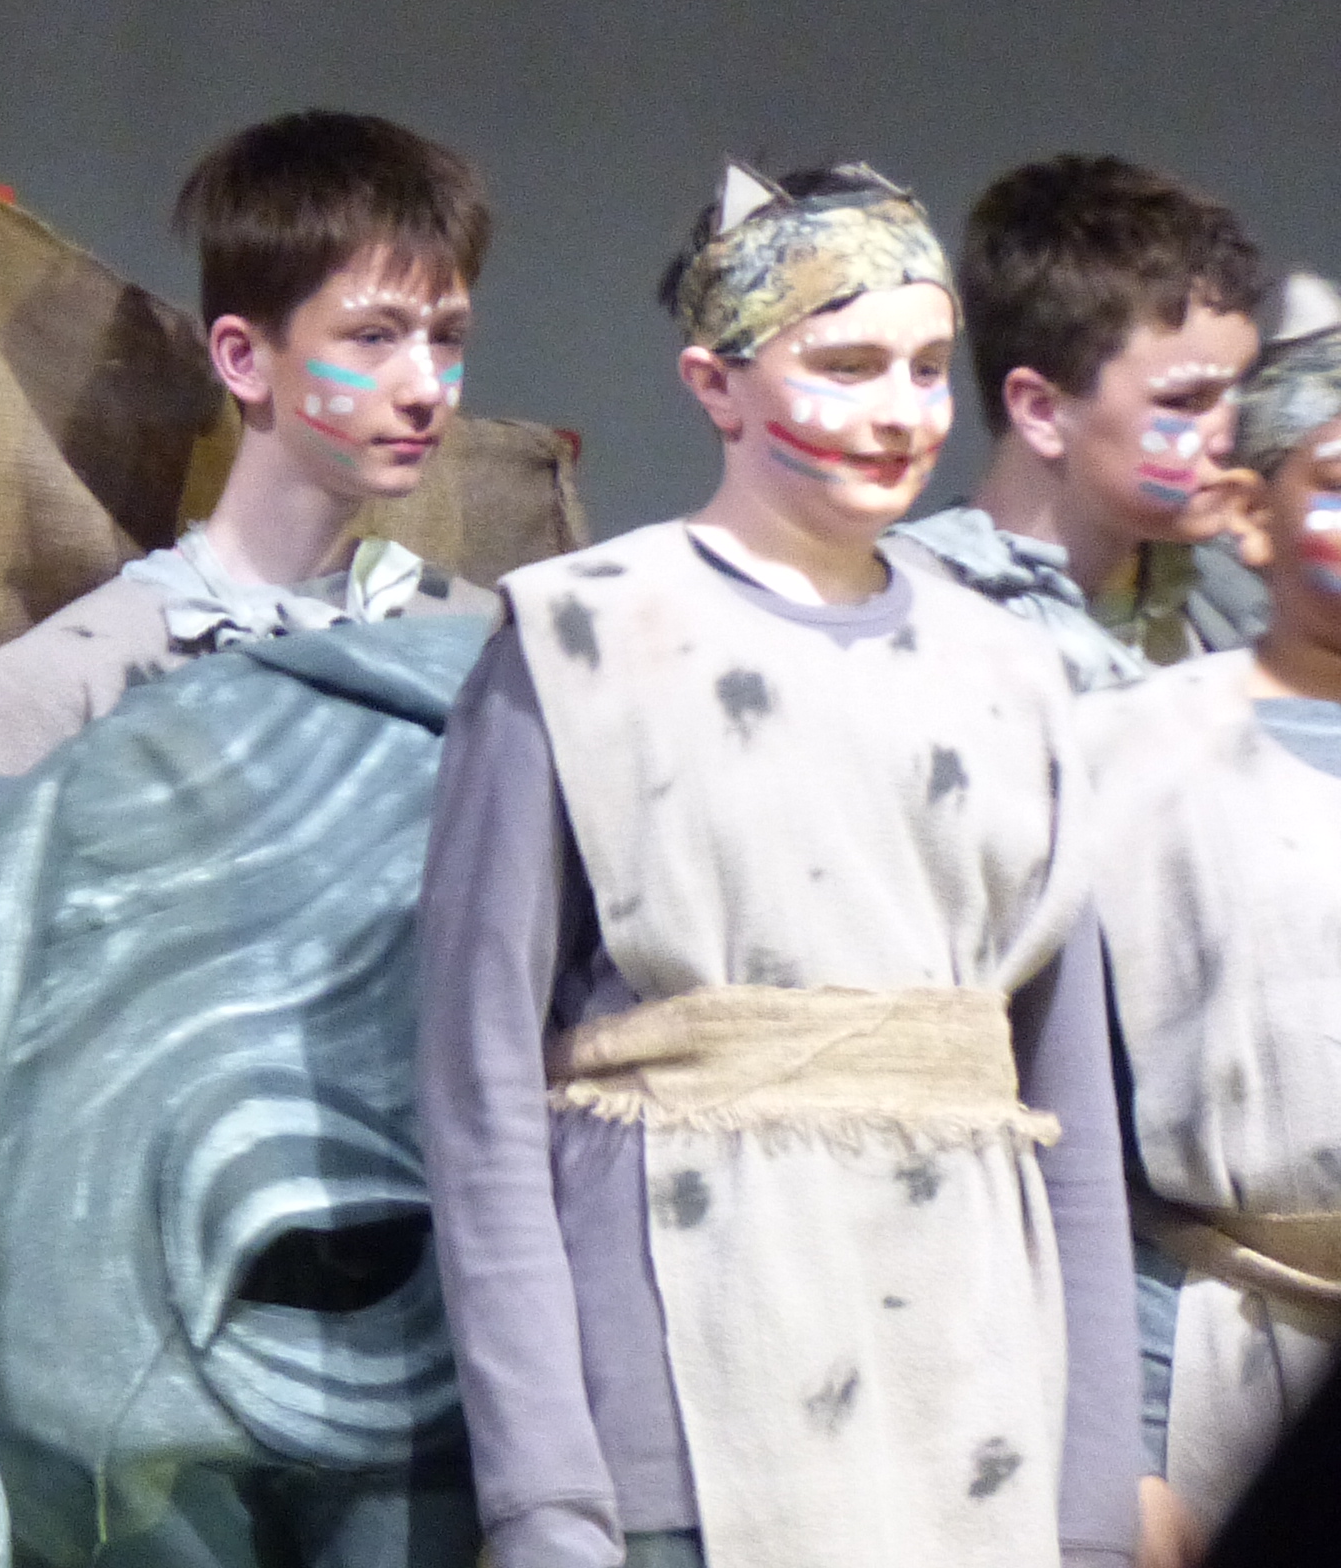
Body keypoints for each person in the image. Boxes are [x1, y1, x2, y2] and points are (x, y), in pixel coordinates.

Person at [420, 164, 1137, 1568]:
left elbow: (1067, 1105)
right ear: (717, 384)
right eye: (848, 366)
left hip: (968, 1389)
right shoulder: (583, 639)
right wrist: (545, 1492)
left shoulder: (1010, 668)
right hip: (691, 1378)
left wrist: (1094, 1505)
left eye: (926, 367)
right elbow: (476, 1084)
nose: (902, 411)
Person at [0, 109, 495, 776]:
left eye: (447, 337)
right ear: (243, 359)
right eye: (373, 336)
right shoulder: (72, 685)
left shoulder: (482, 647)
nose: (427, 388)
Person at [1081, 272, 1341, 1556]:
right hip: (1211, 1348)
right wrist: (1119, 1456)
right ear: (1248, 512)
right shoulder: (1130, 753)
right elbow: (1067, 1133)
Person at [888, 155, 1267, 687]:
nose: (1229, 435)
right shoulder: (901, 616)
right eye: (1184, 402)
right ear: (1041, 411)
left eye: (1239, 391)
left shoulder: (1247, 596)